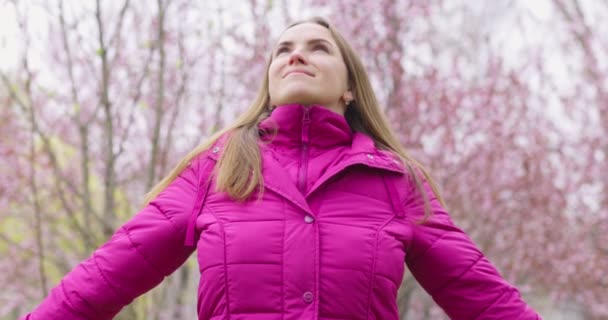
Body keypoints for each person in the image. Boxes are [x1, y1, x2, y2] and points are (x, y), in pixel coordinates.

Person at [22, 17, 541, 320]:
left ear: (349, 86)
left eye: (318, 48)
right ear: (269, 80)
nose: (296, 56)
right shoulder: (216, 168)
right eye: (283, 51)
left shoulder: (396, 181)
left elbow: (484, 297)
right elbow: (110, 272)